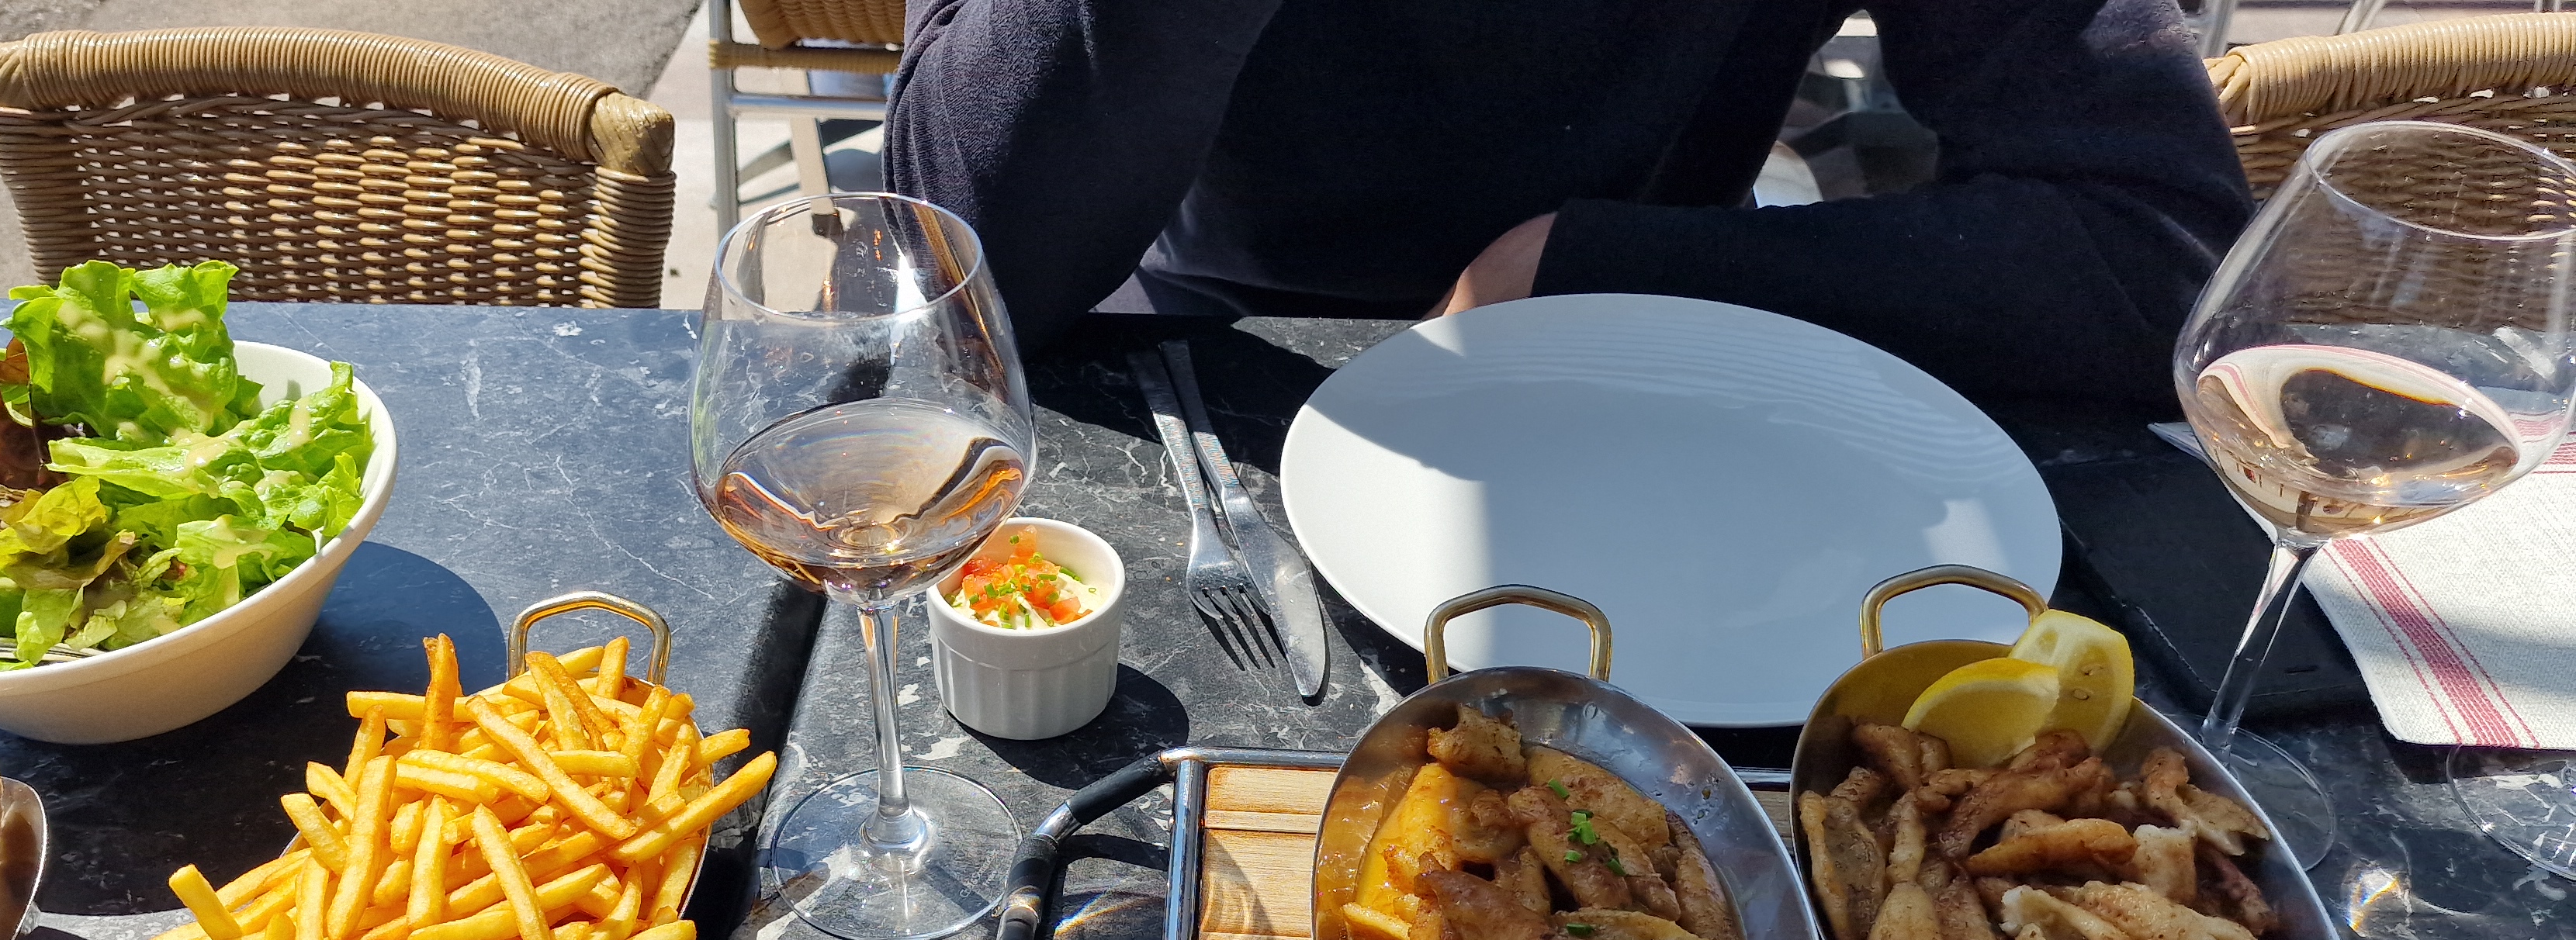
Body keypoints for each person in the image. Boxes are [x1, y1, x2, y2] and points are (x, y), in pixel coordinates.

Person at [881, 0, 2254, 403]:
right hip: (1191, 353)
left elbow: (2156, 256)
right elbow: (955, 262)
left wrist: (1591, 267)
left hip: (1642, 379)